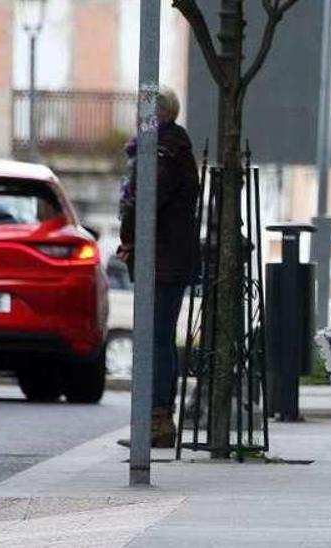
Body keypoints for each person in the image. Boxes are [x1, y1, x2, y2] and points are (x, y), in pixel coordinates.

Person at [116, 87, 201, 448]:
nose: (138, 116)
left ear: (159, 114)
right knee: (158, 337)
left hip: (162, 258)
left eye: (143, 109)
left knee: (156, 338)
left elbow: (145, 199)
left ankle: (158, 421)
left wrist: (130, 235)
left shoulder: (164, 151)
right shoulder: (167, 148)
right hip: (164, 256)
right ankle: (157, 419)